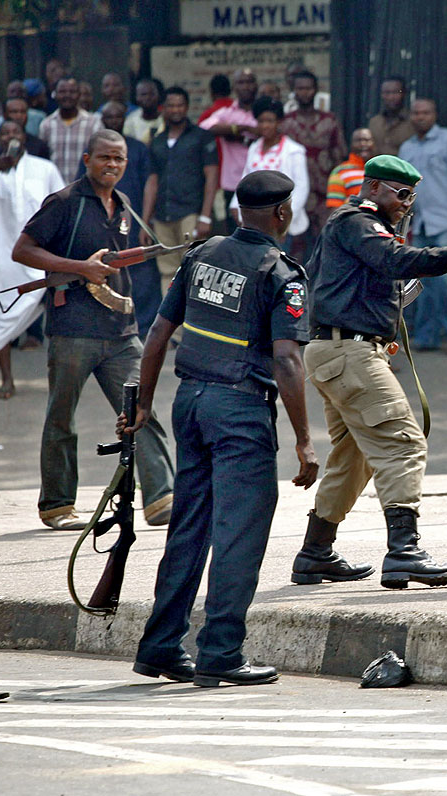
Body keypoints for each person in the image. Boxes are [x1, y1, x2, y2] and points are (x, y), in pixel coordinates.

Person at [127, 170, 316, 688]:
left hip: (190, 402)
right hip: (240, 412)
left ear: (237, 211)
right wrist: (302, 438)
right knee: (238, 533)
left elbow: (159, 332)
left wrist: (144, 404)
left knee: (191, 526)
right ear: (282, 214)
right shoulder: (282, 273)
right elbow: (288, 362)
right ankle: (221, 652)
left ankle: (162, 646)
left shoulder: (201, 254)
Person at [295, 154, 447, 589]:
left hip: (340, 350)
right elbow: (394, 259)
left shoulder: (353, 228)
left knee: (354, 455)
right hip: (348, 353)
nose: (406, 204)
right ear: (374, 188)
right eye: (401, 194)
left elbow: (361, 282)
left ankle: (315, 554)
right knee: (403, 445)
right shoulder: (358, 222)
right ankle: (404, 553)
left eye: (411, 196)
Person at [13, 129, 176, 531]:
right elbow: (23, 250)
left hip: (122, 331)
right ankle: (57, 505)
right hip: (73, 329)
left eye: (119, 159)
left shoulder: (123, 205)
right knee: (62, 418)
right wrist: (80, 267)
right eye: (105, 158)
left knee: (143, 411)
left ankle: (161, 499)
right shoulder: (65, 202)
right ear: (87, 159)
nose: (113, 165)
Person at [0, 120, 64, 399]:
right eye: (4, 133)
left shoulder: (44, 168)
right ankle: (7, 380)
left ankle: (61, 380)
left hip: (42, 254)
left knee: (59, 313)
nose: (10, 137)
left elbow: (61, 203)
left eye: (15, 132)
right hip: (7, 256)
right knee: (1, 316)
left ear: (24, 137)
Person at [76, 101, 159, 335]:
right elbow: (79, 185)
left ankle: (143, 328)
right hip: (102, 221)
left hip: (132, 221)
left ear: (125, 118)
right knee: (107, 271)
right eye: (108, 117)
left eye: (118, 116)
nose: (113, 121)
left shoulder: (138, 149)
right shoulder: (93, 152)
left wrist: (145, 220)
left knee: (141, 275)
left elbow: (151, 183)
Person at [398, 98, 447, 353]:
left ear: (434, 114)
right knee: (421, 283)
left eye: (426, 112)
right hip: (420, 224)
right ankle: (426, 338)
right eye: (416, 113)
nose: (420, 117)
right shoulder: (406, 148)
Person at [142, 86, 219, 291]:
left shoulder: (202, 137)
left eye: (180, 105)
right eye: (171, 106)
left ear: (186, 108)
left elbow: (212, 176)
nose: (175, 110)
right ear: (164, 108)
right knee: (167, 271)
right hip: (162, 216)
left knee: (194, 268)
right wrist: (145, 221)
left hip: (190, 213)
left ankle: (193, 322)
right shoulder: (157, 141)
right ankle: (170, 324)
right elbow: (152, 181)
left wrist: (205, 216)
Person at [281, 69, 346, 257]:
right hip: (296, 194)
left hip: (325, 194)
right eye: (300, 88)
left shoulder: (329, 120)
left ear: (316, 90)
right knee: (296, 247)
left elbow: (339, 156)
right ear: (293, 91)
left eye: (308, 88)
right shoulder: (286, 123)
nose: (304, 92)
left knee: (326, 244)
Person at [227, 97, 309, 245]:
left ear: (279, 122)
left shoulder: (294, 151)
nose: (265, 126)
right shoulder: (254, 148)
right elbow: (245, 179)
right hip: (255, 223)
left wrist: (284, 224)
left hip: (283, 225)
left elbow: (302, 189)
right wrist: (236, 207)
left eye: (270, 121)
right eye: (261, 121)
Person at [200, 69, 258, 213]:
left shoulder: (263, 111)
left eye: (250, 82)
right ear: (234, 88)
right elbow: (204, 128)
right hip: (234, 184)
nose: (246, 86)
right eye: (241, 82)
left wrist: (244, 138)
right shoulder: (227, 113)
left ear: (256, 85)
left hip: (260, 182)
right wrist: (239, 129)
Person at [39, 76, 103, 184]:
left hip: (84, 190)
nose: (67, 95)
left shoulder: (93, 124)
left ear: (79, 95)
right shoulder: (46, 125)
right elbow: (42, 162)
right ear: (55, 94)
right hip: (55, 191)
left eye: (72, 91)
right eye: (62, 91)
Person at [0, 98, 50, 162]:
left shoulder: (39, 145)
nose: (19, 116)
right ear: (4, 114)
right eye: (14, 112)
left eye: (23, 112)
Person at [325, 127, 375, 211]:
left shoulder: (380, 171)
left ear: (373, 143)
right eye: (358, 140)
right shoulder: (340, 172)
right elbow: (335, 208)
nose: (363, 144)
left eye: (367, 140)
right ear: (351, 144)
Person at [367, 76, 411, 156]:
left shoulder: (413, 122)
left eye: (396, 92)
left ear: (404, 94)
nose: (391, 97)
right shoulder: (374, 122)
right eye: (387, 92)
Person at [123, 79, 165, 146]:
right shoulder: (130, 121)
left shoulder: (167, 119)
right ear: (136, 97)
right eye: (143, 94)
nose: (148, 98)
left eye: (152, 94)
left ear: (158, 96)